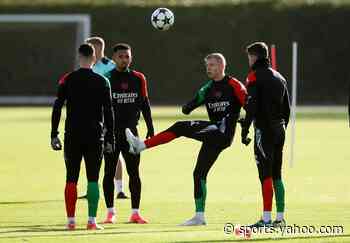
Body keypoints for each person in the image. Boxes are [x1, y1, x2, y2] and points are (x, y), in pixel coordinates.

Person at [125, 53, 247, 226]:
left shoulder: (234, 85)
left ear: (221, 66)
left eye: (212, 65)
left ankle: (141, 145)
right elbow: (188, 108)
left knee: (180, 127)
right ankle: (199, 217)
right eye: (207, 65)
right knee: (198, 174)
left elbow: (249, 105)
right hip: (212, 135)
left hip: (222, 133)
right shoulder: (207, 88)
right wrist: (191, 103)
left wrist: (245, 125)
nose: (208, 68)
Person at [50, 43, 115, 230]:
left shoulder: (67, 79)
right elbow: (109, 112)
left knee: (71, 177)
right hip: (95, 135)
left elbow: (57, 107)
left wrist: (54, 134)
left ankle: (70, 222)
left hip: (73, 135)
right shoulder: (103, 81)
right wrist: (111, 139)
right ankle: (91, 221)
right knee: (93, 178)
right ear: (94, 58)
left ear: (79, 57)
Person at [102, 43, 154, 224]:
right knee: (108, 172)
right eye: (121, 56)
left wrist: (150, 126)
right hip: (111, 134)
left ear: (131, 57)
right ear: (114, 58)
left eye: (127, 56)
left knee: (134, 172)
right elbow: (101, 107)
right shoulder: (106, 78)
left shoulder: (139, 78)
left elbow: (145, 103)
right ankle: (110, 212)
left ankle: (135, 213)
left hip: (132, 133)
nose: (124, 59)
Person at [240, 42, 290, 228]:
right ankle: (280, 218)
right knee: (277, 174)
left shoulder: (254, 76)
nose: (249, 60)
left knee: (265, 174)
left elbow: (251, 106)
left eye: (249, 57)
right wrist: (281, 127)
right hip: (280, 129)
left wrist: (245, 129)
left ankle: (266, 219)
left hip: (264, 130)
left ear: (254, 57)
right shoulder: (280, 77)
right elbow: (287, 109)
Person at [77, 36, 128, 200]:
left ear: (98, 48)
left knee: (114, 150)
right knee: (92, 152)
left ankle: (119, 189)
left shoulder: (110, 66)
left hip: (110, 114)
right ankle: (91, 188)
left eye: (91, 46)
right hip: (93, 117)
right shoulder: (87, 67)